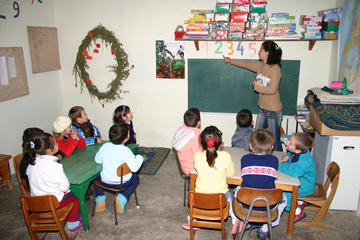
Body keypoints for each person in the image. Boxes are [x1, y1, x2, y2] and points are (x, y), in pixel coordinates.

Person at [224, 40, 283, 151]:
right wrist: (230, 60)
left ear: (267, 53)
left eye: (261, 50)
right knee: (256, 139)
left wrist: (256, 86)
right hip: (263, 108)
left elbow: (272, 89)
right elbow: (247, 64)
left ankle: (279, 165)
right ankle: (257, 161)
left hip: (273, 110)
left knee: (274, 141)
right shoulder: (261, 65)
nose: (258, 52)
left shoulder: (275, 69)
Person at [233, 128, 287, 239]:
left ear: (250, 146)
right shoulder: (274, 160)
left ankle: (245, 220)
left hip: (246, 204)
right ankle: (266, 226)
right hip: (269, 205)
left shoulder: (245, 159)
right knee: (284, 199)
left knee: (237, 190)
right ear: (272, 147)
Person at [25, 132, 82, 231]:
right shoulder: (55, 166)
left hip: (36, 203)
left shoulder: (31, 165)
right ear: (49, 150)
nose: (58, 144)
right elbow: (65, 187)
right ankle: (73, 222)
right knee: (74, 196)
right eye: (56, 143)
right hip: (53, 203)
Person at [182, 126, 235, 231]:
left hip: (199, 200)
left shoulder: (197, 156)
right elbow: (231, 173)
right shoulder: (225, 156)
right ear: (220, 144)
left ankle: (193, 221)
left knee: (196, 194)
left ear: (202, 144)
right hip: (220, 200)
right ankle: (235, 221)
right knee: (231, 198)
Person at [94, 122, 144, 214]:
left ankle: (100, 199)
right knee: (136, 179)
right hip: (122, 183)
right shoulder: (126, 151)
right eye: (129, 133)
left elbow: (97, 160)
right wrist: (140, 157)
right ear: (125, 139)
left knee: (95, 180)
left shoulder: (105, 146)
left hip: (104, 182)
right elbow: (135, 168)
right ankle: (122, 197)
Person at [279, 132, 316, 223]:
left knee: (285, 192)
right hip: (304, 182)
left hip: (305, 187)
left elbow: (293, 172)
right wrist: (287, 156)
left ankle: (297, 211)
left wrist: (280, 165)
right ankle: (300, 202)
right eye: (289, 139)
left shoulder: (302, 162)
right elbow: (291, 155)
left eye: (290, 143)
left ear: (298, 150)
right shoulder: (301, 152)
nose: (287, 142)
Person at [172, 107, 203, 176]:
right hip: (192, 169)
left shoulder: (180, 131)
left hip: (183, 167)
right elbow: (200, 155)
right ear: (199, 123)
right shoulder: (195, 135)